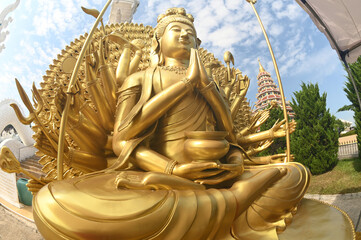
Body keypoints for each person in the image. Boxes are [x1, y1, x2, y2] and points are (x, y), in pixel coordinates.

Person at [32, 8, 309, 240]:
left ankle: (226, 199)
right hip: (160, 178)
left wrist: (235, 160)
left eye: (190, 32)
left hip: (215, 177)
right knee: (51, 202)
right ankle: (234, 202)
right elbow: (122, 139)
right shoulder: (140, 79)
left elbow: (230, 134)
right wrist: (175, 167)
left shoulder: (209, 83)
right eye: (176, 29)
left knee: (294, 173)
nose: (185, 34)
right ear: (157, 39)